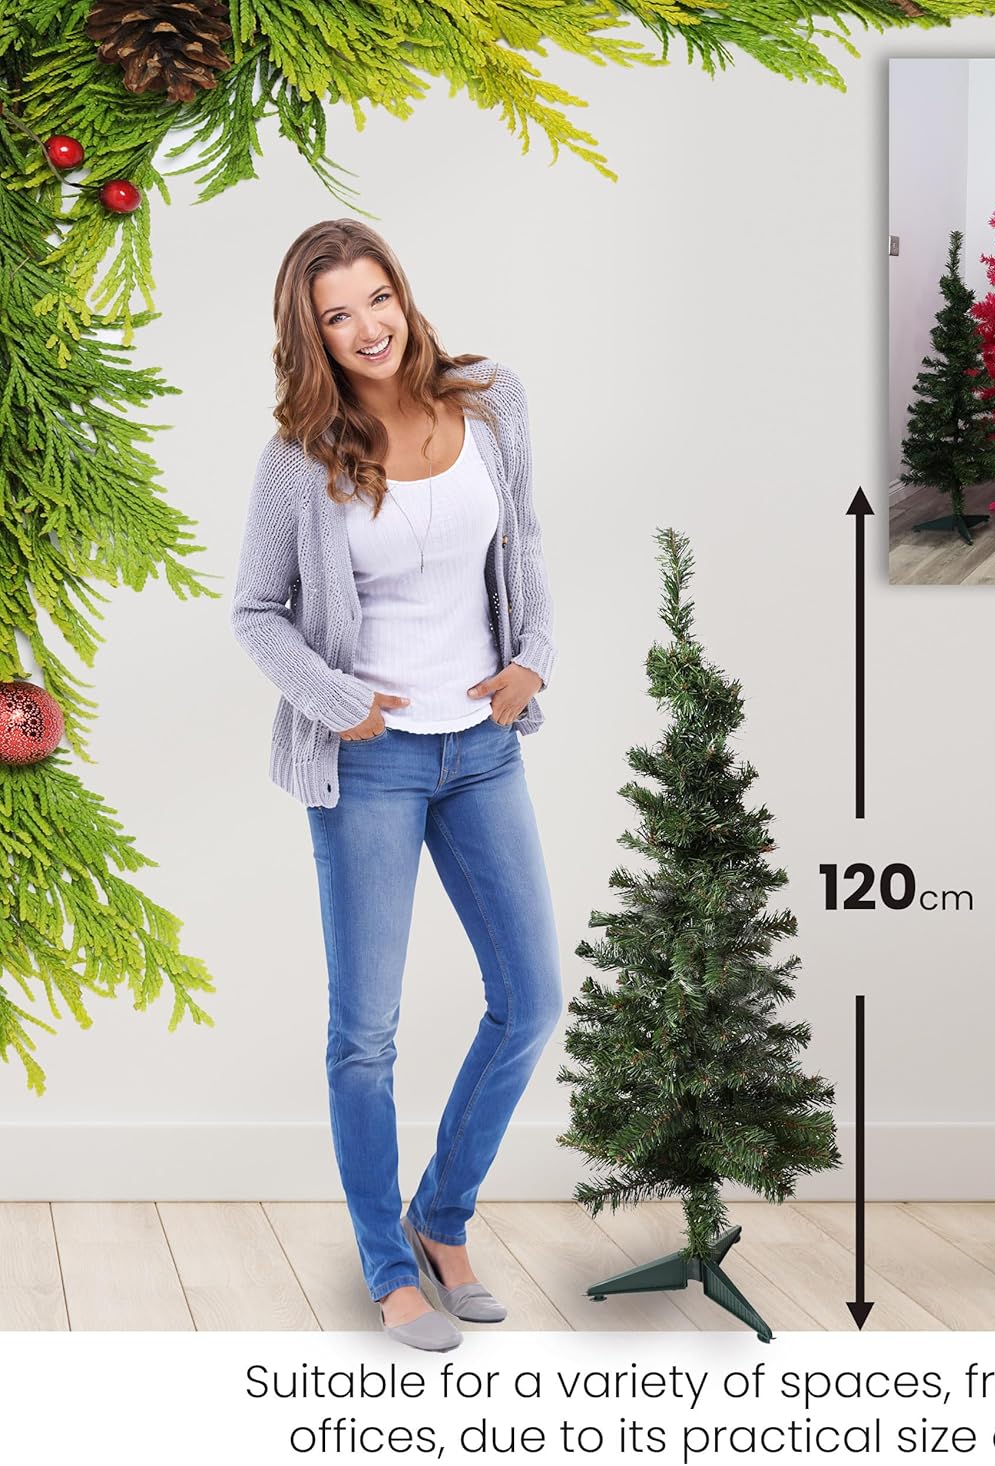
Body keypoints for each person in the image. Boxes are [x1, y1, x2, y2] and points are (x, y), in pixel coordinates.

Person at [230, 218, 562, 1352]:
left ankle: (442, 1215)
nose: (367, 326)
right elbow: (254, 612)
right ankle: (389, 1266)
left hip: (483, 747)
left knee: (530, 998)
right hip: (368, 762)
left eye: (378, 298)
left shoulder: (493, 402)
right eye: (338, 313)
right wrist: (337, 702)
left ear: (404, 295)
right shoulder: (299, 460)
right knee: (364, 1034)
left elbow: (524, 545)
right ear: (310, 333)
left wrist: (532, 664)